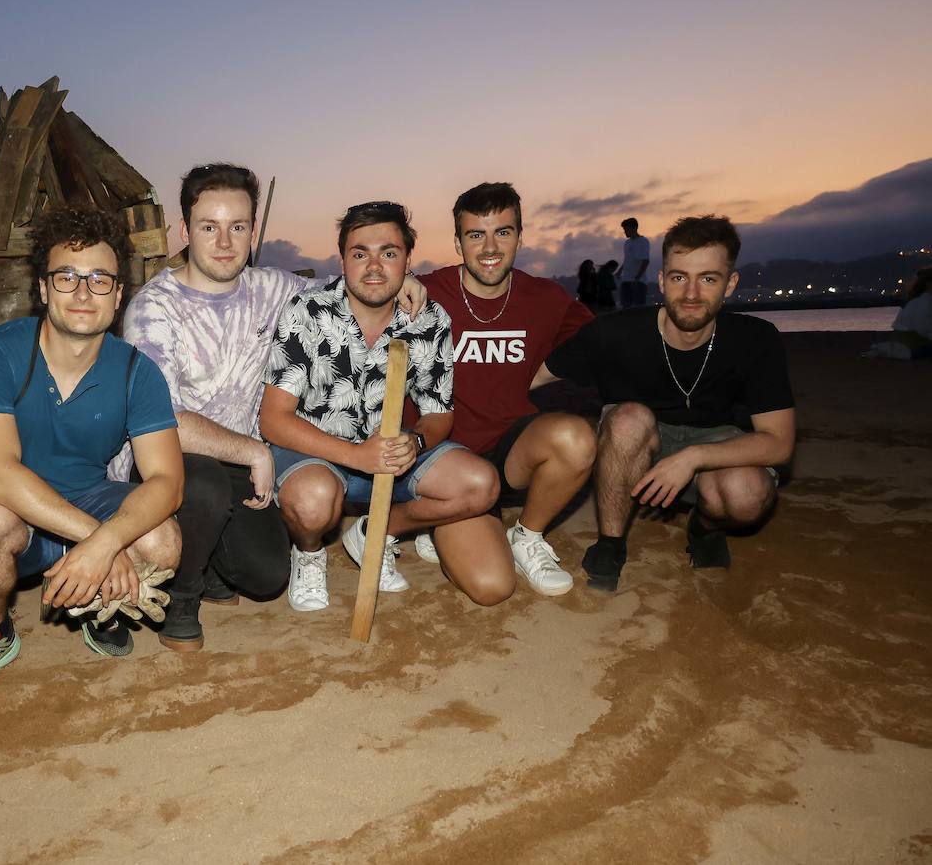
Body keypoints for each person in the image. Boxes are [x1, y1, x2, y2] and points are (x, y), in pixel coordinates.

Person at [115, 163, 429, 649]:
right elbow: (163, 422)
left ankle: (212, 557)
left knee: (265, 577)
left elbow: (345, 287)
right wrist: (257, 452)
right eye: (209, 227)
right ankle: (182, 596)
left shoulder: (273, 289)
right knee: (204, 482)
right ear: (185, 231)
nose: (224, 242)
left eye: (237, 227)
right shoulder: (153, 309)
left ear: (253, 231)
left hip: (236, 464)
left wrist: (401, 282)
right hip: (163, 461)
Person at [0, 204, 185, 699]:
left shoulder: (139, 371)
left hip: (89, 496)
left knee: (162, 541)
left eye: (99, 279)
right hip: (13, 512)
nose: (81, 292)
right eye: (67, 276)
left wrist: (105, 542)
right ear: (43, 287)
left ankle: (97, 607)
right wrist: (100, 541)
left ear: (117, 295)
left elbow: (168, 482)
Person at [260, 201, 505, 612]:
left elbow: (439, 411)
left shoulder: (428, 321)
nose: (374, 267)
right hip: (316, 457)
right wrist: (356, 455)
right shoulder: (308, 312)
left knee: (480, 484)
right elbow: (273, 419)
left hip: (391, 459)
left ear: (408, 260)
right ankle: (308, 552)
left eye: (389, 253)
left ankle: (377, 532)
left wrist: (417, 440)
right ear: (342, 260)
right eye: (360, 254)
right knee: (313, 498)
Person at [538, 214, 796, 591]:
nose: (691, 294)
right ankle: (610, 543)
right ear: (661, 281)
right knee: (628, 418)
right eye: (679, 277)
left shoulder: (757, 340)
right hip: (634, 444)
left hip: (715, 443)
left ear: (730, 284)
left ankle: (704, 528)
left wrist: (692, 458)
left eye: (708, 278)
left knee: (747, 495)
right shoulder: (615, 332)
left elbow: (779, 443)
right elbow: (536, 376)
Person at [413, 182, 596, 597]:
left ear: (520, 235)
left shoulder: (545, 297)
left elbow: (599, 342)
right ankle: (436, 519)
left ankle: (527, 535)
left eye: (504, 232)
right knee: (491, 587)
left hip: (511, 450)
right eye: (476, 234)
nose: (490, 247)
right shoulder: (427, 292)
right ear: (458, 243)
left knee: (575, 437)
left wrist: (542, 374)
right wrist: (401, 280)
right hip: (447, 460)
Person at [619, 218, 650, 307]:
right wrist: (620, 270)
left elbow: (645, 261)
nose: (625, 232)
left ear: (634, 228)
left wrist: (637, 278)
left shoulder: (643, 241)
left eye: (626, 229)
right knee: (625, 308)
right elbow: (627, 260)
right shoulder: (627, 243)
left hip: (638, 281)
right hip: (626, 280)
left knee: (638, 309)